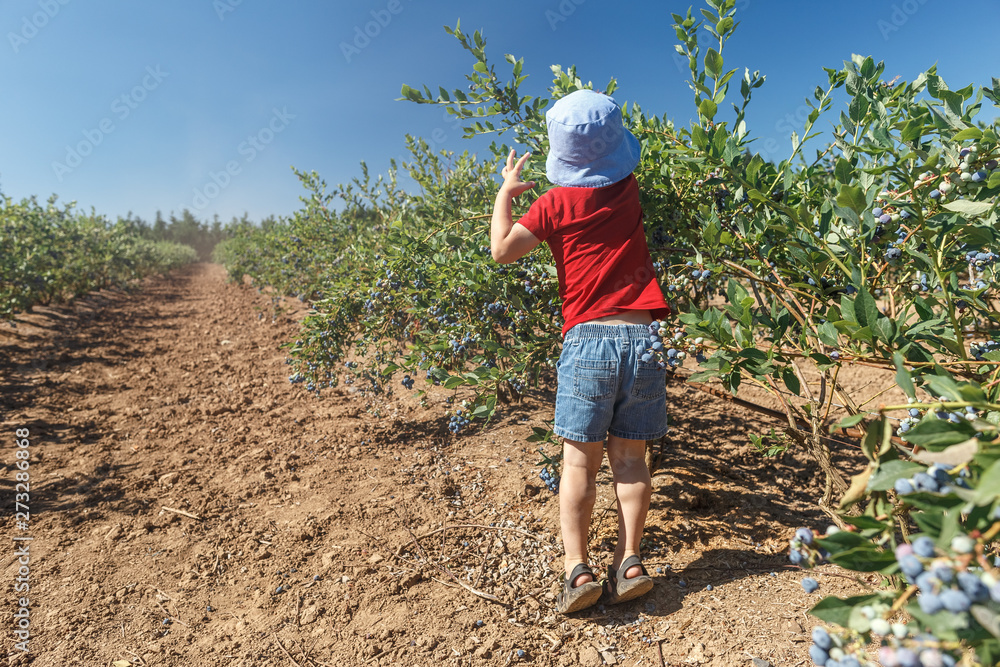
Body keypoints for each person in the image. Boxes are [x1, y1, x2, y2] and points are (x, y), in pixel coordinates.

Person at [489, 89, 670, 613]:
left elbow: (502, 251)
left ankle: (578, 570)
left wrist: (506, 191)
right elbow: (609, 160)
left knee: (578, 465)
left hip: (588, 339)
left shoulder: (552, 204)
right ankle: (629, 563)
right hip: (642, 340)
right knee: (631, 461)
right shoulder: (628, 189)